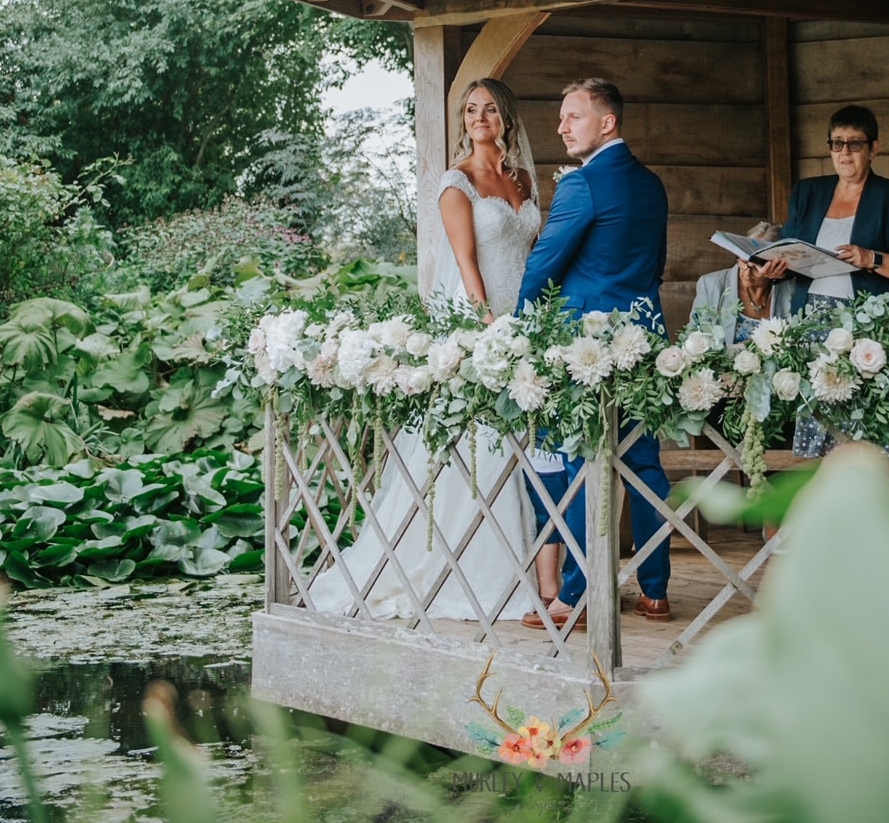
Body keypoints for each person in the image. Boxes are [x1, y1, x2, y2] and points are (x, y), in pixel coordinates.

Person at [307, 80, 544, 622]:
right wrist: (486, 324)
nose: (479, 117)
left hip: (525, 316)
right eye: (471, 110)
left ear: (507, 119)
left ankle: (531, 564)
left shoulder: (524, 180)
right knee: (481, 438)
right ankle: (473, 567)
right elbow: (464, 260)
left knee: (519, 439)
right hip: (479, 319)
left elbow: (532, 251)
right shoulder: (456, 182)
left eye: (489, 109)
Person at [516, 77, 673, 630]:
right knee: (644, 464)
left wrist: (520, 331)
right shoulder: (652, 184)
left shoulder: (582, 184)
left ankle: (578, 596)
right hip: (644, 340)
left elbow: (542, 266)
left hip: (586, 347)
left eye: (573, 116)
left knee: (583, 463)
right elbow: (656, 266)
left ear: (607, 123)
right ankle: (656, 592)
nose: (561, 127)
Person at [758, 105, 889, 456]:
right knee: (817, 430)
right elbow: (791, 251)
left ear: (874, 149)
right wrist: (777, 269)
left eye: (855, 144)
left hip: (869, 329)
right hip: (811, 325)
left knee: (864, 434)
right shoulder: (809, 192)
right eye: (837, 143)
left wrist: (871, 258)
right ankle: (818, 484)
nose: (845, 153)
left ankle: (871, 483)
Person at [690, 221, 795, 345]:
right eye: (743, 262)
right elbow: (693, 338)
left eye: (755, 267)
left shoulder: (791, 289)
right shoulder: (710, 285)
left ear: (775, 266)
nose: (746, 273)